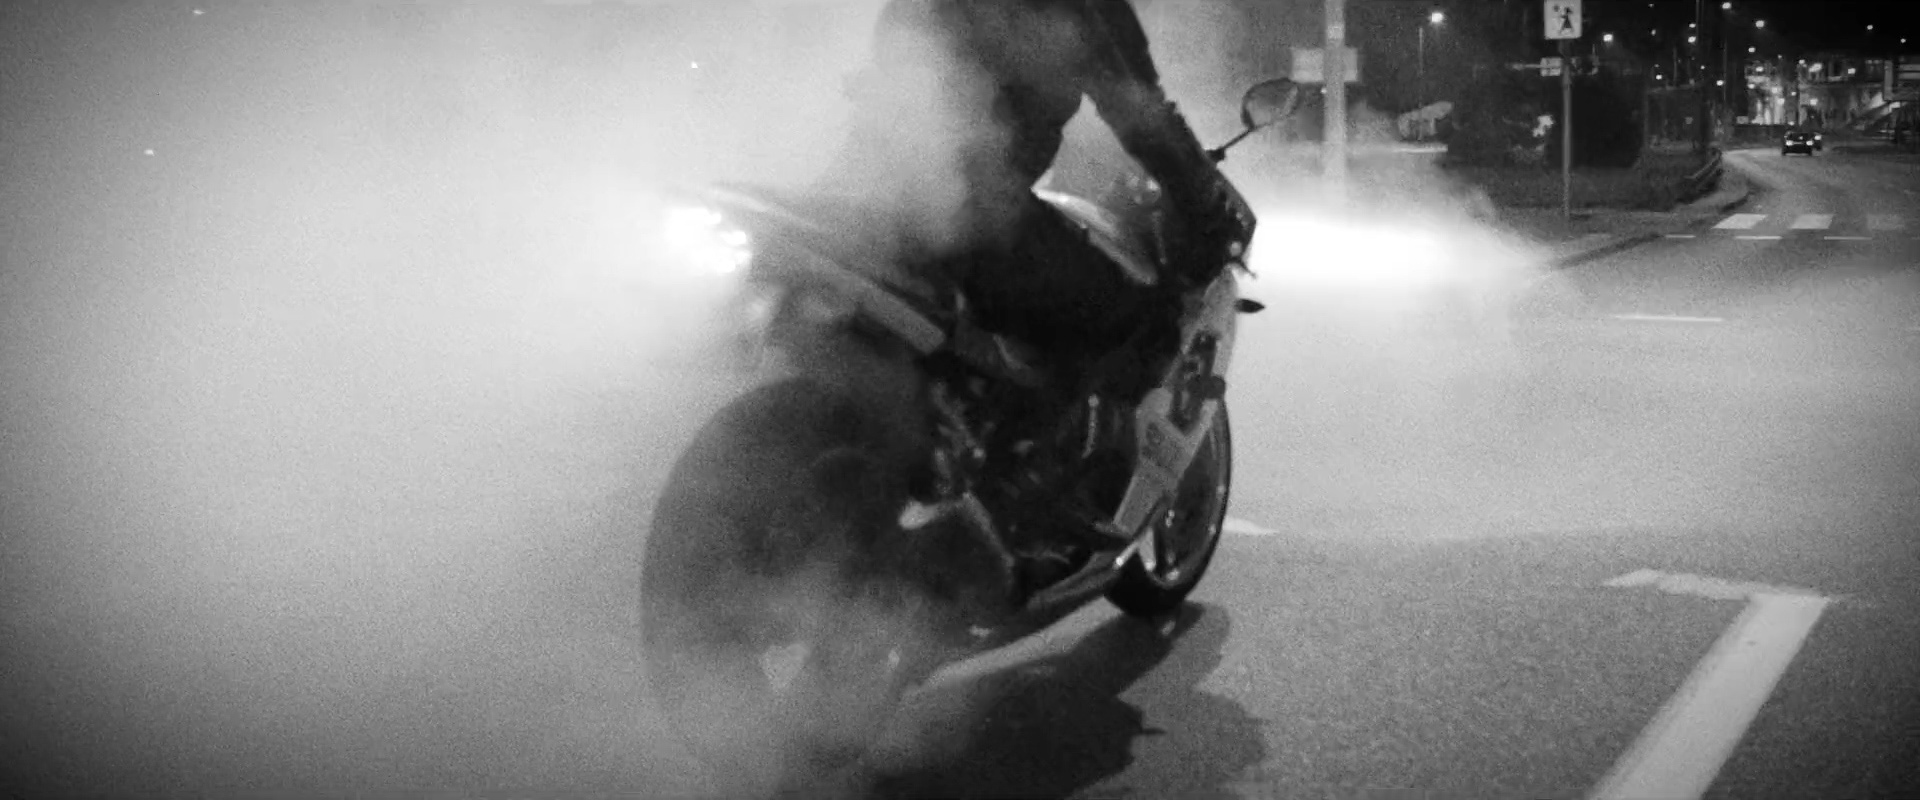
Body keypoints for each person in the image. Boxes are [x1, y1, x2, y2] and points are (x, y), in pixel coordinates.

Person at [821, 0, 1251, 408]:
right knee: (1136, 325)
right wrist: (1209, 209)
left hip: (862, 190)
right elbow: (1141, 116)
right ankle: (1034, 453)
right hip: (964, 215)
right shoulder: (1085, 10)